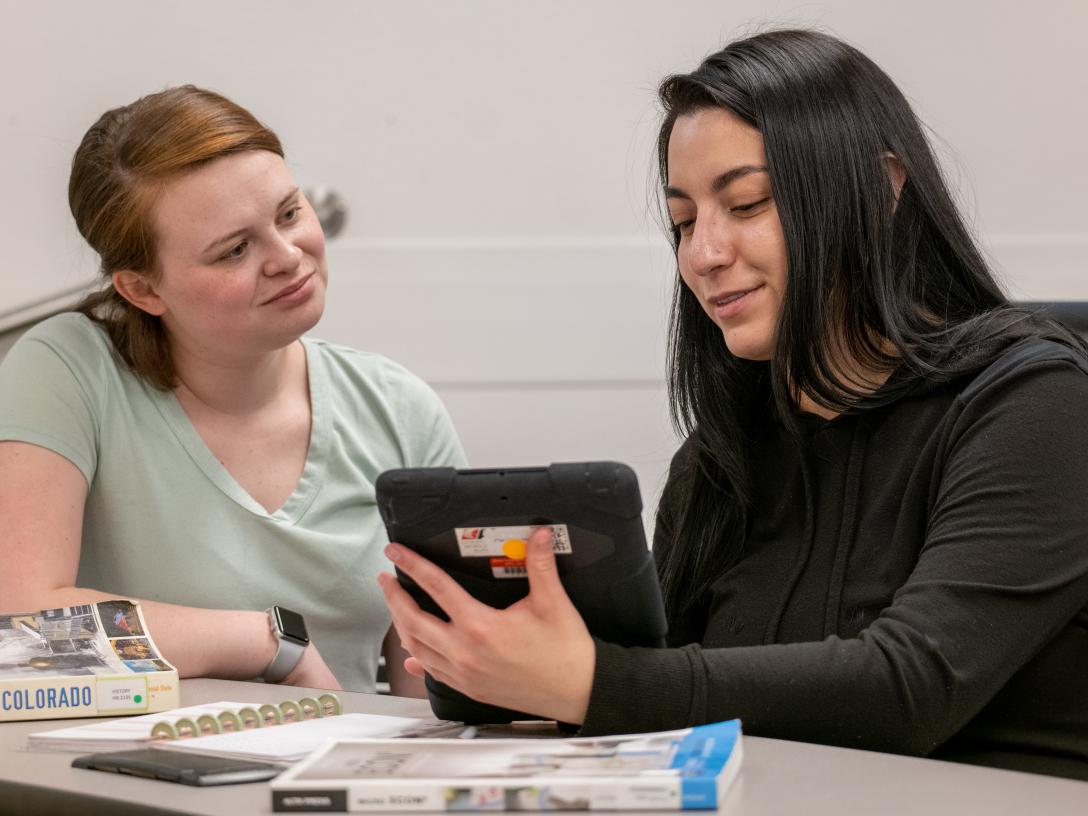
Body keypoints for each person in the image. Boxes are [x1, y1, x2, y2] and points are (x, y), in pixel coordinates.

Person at [380, 30, 1088, 779]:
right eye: (684, 221)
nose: (702, 254)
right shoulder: (722, 455)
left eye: (746, 203)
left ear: (880, 191)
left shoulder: (1039, 406)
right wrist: (509, 671)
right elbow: (668, 693)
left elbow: (911, 686)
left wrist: (591, 680)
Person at [0, 86, 466, 694]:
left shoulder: (399, 408)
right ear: (142, 290)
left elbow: (440, 702)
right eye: (236, 250)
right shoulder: (68, 368)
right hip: (120, 780)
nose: (287, 256)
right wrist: (268, 644)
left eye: (290, 213)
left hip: (334, 776)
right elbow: (22, 628)